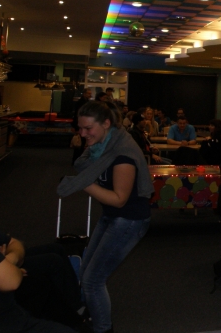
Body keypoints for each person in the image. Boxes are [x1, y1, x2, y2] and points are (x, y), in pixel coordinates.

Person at [57, 101, 152, 333]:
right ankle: (93, 313)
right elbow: (84, 165)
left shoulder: (123, 154)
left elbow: (119, 199)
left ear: (106, 124)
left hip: (129, 220)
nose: (82, 134)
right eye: (80, 128)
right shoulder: (102, 147)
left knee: (92, 280)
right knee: (86, 271)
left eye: (88, 128)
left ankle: (103, 329)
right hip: (113, 216)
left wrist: (83, 183)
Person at [0, 159, 78, 333]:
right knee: (42, 279)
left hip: (0, 300)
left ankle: (74, 314)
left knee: (54, 256)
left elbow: (14, 243)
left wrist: (9, 260)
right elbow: (10, 281)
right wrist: (11, 269)